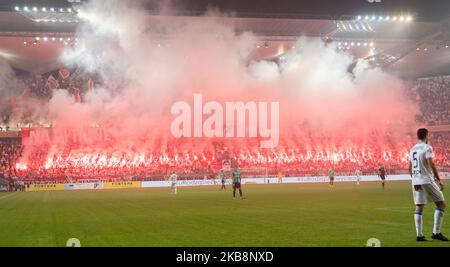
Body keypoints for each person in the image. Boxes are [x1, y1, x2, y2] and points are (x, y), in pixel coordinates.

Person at [408, 128, 447, 242]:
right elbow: (431, 163)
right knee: (441, 204)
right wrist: (439, 180)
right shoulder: (427, 147)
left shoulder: (412, 149)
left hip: (416, 180)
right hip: (427, 180)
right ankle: (436, 233)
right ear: (426, 135)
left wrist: (415, 179)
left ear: (417, 136)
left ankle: (419, 235)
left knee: (419, 205)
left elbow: (409, 168)